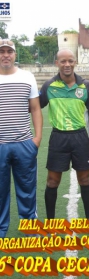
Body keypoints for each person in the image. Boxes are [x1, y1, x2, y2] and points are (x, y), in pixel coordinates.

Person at [39, 49, 89, 220]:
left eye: (70, 61)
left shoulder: (84, 85)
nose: (67, 64)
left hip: (80, 138)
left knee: (84, 180)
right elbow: (35, 107)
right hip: (58, 138)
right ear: (57, 63)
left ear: (75, 62)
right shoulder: (49, 86)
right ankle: (51, 223)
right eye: (63, 61)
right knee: (52, 181)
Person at [0, 39, 42, 237]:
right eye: (2, 51)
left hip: (24, 143)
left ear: (15, 54)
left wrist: (37, 138)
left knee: (27, 188)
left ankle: (29, 226)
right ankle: (1, 229)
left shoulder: (27, 77)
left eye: (9, 51)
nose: (5, 55)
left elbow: (35, 108)